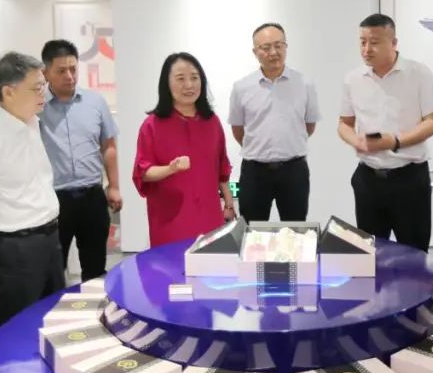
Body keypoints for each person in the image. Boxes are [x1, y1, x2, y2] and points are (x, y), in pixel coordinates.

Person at [0, 52, 64, 328]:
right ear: (8, 92)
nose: (44, 93)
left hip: (48, 239)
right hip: (14, 248)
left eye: (44, 85)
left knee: (53, 319)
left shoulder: (32, 124)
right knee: (18, 328)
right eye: (37, 87)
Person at [338, 13, 433, 252]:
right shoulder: (353, 79)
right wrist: (356, 140)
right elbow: (344, 124)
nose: (367, 49)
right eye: (362, 42)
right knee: (371, 255)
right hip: (368, 178)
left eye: (374, 42)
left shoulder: (418, 73)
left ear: (394, 43)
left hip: (409, 178)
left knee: (414, 253)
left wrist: (395, 142)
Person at [39, 40, 121, 282]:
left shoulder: (95, 103)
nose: (69, 76)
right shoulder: (36, 107)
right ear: (45, 73)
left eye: (73, 69)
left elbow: (109, 146)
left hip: (92, 196)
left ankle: (94, 306)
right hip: (53, 200)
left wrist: (114, 186)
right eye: (61, 71)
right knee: (53, 270)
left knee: (95, 269)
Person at [132, 52, 234, 246]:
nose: (189, 85)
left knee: (210, 260)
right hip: (170, 219)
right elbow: (143, 172)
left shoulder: (212, 122)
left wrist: (228, 202)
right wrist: (170, 169)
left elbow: (222, 168)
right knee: (172, 262)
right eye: (180, 79)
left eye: (194, 78)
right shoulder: (152, 125)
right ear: (166, 83)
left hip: (209, 215)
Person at [229, 23, 321, 222]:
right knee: (252, 230)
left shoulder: (304, 84)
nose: (273, 52)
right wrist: (260, 148)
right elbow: (237, 129)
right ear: (255, 52)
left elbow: (309, 126)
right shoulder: (241, 87)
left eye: (279, 45)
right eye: (266, 47)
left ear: (286, 46)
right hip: (254, 172)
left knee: (295, 230)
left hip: (294, 170)